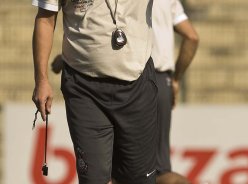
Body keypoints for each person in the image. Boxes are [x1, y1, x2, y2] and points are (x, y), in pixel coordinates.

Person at [31, 0, 158, 184]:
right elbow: (45, 20)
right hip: (83, 88)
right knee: (93, 180)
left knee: (139, 180)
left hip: (137, 86)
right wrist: (41, 79)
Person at [152, 0, 199, 183]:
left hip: (131, 82)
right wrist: (176, 79)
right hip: (162, 81)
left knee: (121, 171)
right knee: (158, 169)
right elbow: (192, 37)